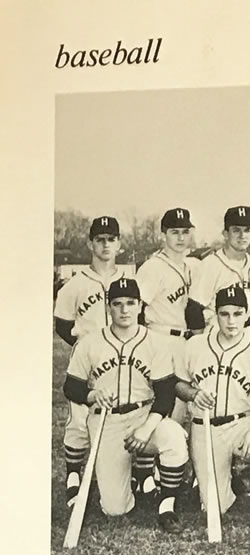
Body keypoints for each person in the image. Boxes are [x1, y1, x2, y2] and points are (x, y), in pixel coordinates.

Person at [62, 277, 188, 532]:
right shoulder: (89, 343)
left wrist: (145, 428)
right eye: (117, 304)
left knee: (174, 437)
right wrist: (92, 395)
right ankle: (131, 475)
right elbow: (71, 387)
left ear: (140, 305)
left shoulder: (155, 342)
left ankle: (167, 505)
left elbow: (165, 394)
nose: (124, 310)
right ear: (108, 307)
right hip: (107, 420)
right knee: (114, 509)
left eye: (131, 303)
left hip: (144, 415)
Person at [175, 285, 250, 527]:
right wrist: (193, 393)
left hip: (241, 424)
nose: (231, 320)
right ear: (215, 315)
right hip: (205, 428)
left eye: (237, 313)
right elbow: (179, 385)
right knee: (215, 507)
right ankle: (223, 479)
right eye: (224, 314)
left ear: (247, 315)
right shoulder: (195, 345)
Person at [54, 215, 124, 507]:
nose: (106, 244)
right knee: (80, 420)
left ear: (119, 244)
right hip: (88, 359)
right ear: (90, 243)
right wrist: (85, 350)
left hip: (122, 360)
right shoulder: (74, 284)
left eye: (111, 239)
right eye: (100, 239)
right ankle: (73, 476)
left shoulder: (128, 280)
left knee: (123, 414)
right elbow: (62, 325)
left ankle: (132, 474)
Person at [136, 206, 200, 429]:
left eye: (185, 231)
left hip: (182, 341)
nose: (181, 237)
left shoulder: (190, 265)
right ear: (163, 234)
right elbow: (136, 309)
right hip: (160, 337)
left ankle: (169, 461)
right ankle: (152, 461)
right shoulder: (152, 268)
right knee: (162, 404)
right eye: (174, 232)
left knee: (179, 409)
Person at [188, 205, 250, 335]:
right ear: (225, 234)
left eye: (247, 230)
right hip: (218, 333)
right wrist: (199, 342)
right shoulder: (210, 264)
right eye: (236, 230)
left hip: (249, 333)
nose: (242, 235)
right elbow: (193, 308)